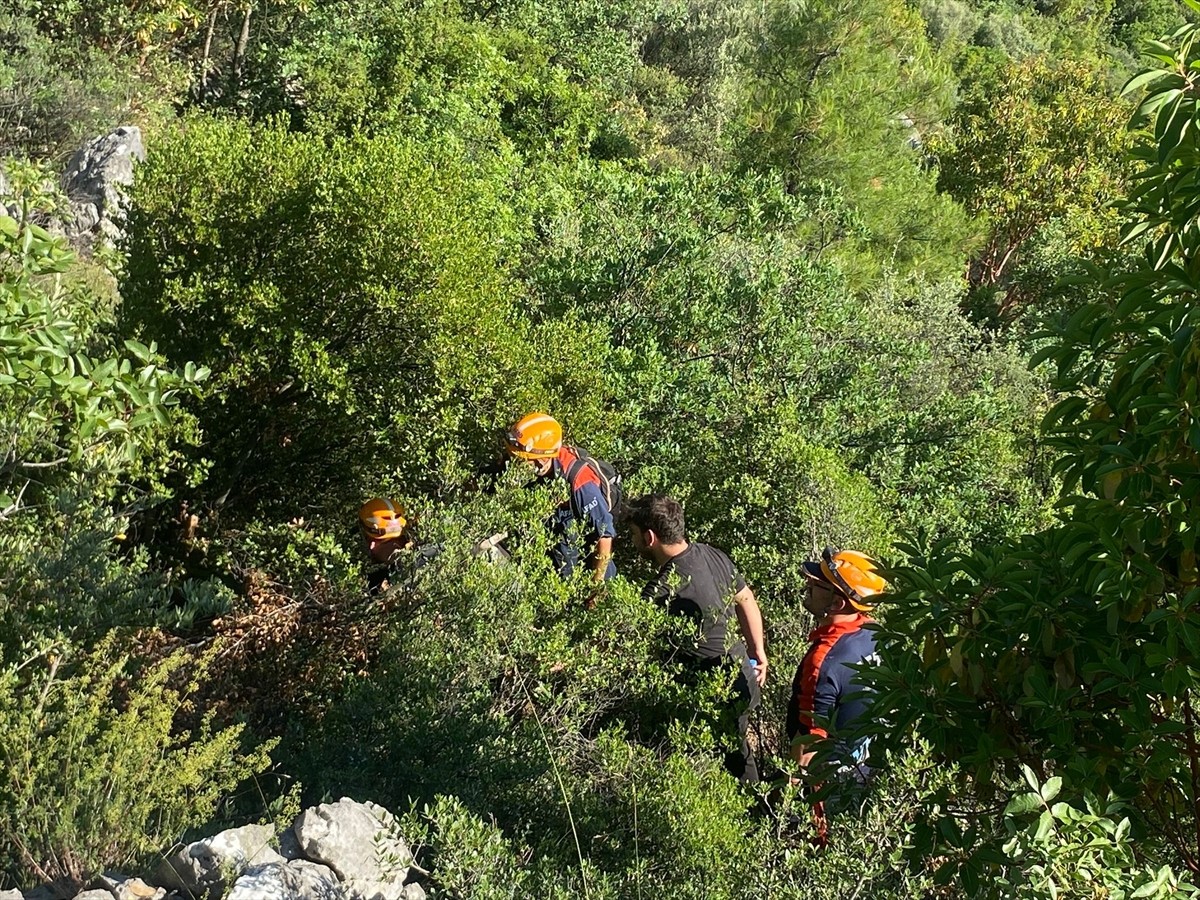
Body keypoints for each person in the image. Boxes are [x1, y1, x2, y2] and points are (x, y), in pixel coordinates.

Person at [622, 492, 769, 784]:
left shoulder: (662, 589)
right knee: (738, 753)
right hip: (741, 675)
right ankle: (754, 809)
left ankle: (745, 812)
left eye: (634, 534)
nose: (633, 541)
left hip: (709, 695)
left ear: (650, 537)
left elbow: (625, 644)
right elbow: (746, 599)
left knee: (718, 759)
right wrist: (759, 652)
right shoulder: (712, 554)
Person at [788, 546, 886, 787]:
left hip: (829, 779)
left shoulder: (823, 661)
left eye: (818, 582)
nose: (808, 582)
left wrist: (787, 800)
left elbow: (810, 743)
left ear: (837, 603)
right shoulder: (876, 634)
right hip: (866, 765)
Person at [504, 412, 617, 585]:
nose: (514, 464)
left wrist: (597, 584)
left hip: (583, 551)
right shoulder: (539, 468)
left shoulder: (580, 481)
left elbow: (604, 535)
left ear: (542, 460)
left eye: (520, 460)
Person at [358, 497, 415, 594]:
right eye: (369, 539)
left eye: (383, 541)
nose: (371, 547)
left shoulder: (424, 565)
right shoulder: (375, 580)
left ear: (402, 540)